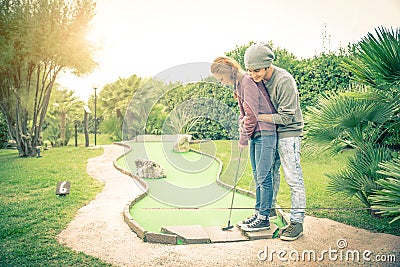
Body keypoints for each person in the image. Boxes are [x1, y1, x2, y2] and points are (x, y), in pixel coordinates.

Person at [244, 43, 306, 241]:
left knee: (293, 177)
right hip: (271, 132)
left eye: (256, 70)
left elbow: (288, 117)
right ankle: (267, 212)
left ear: (267, 65)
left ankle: (296, 222)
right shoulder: (259, 80)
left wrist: (258, 116)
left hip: (289, 133)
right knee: (269, 173)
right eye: (249, 70)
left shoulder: (284, 81)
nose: (253, 75)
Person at [211, 56, 277, 232]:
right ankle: (258, 213)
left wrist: (242, 140)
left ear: (227, 73)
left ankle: (264, 218)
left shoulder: (247, 81)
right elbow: (244, 113)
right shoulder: (239, 84)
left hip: (265, 132)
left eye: (221, 79)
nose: (222, 83)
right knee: (257, 175)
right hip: (257, 133)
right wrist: (242, 123)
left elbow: (253, 114)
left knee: (263, 176)